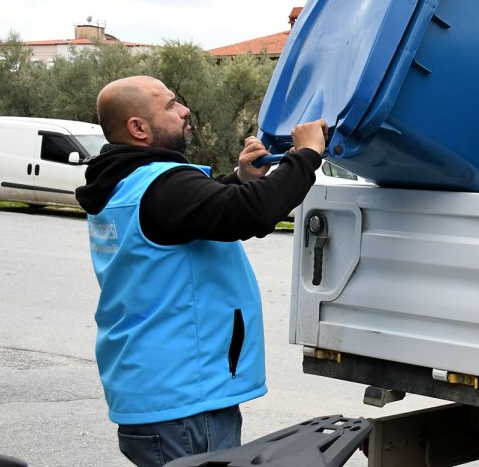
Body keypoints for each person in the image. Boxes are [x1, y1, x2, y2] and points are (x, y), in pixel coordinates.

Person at [75, 75, 327, 467]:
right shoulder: (163, 185)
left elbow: (195, 212)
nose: (184, 110)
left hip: (154, 385)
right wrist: (306, 155)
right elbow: (250, 214)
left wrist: (241, 179)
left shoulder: (122, 182)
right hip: (184, 397)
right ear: (139, 128)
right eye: (171, 105)